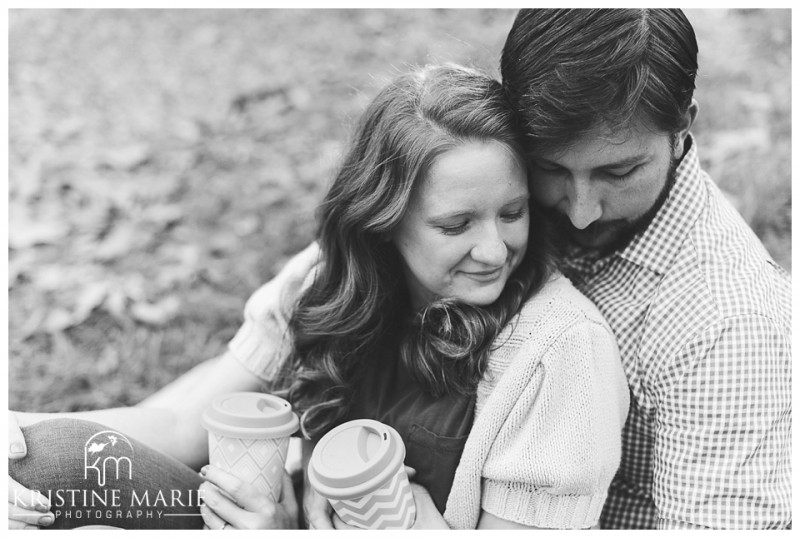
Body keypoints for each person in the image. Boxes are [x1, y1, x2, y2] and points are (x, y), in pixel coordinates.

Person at [8, 64, 629, 530]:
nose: (493, 250)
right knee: (40, 464)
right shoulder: (330, 281)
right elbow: (177, 424)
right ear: (383, 220)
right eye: (455, 225)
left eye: (512, 213)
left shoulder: (559, 353)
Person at [499, 9, 791, 530]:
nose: (581, 210)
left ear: (682, 130)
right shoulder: (501, 194)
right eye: (550, 168)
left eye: (619, 171)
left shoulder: (728, 324)